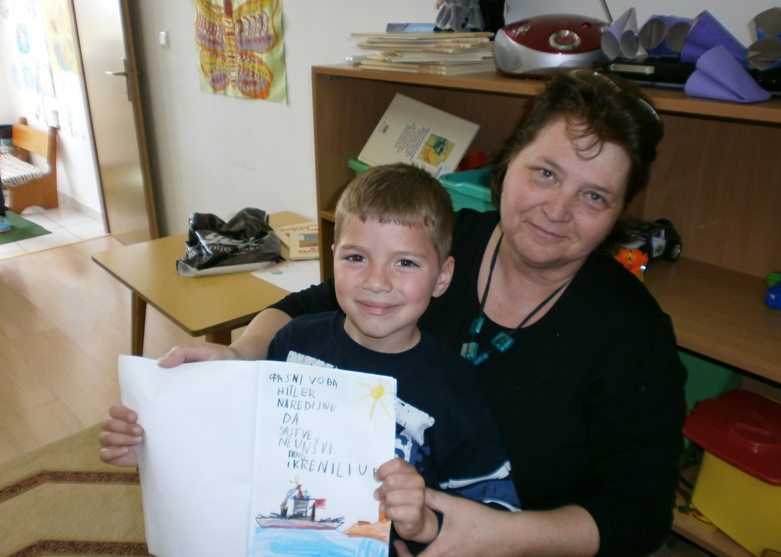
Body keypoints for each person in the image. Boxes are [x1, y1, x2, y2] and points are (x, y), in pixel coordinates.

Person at [101, 69, 687, 557]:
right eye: (546, 172)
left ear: (618, 214)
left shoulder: (630, 332)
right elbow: (309, 307)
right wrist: (240, 359)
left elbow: (639, 516)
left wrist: (499, 535)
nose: (558, 209)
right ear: (509, 163)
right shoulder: (444, 242)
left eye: (594, 196)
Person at [104, 163, 520, 554]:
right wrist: (155, 448)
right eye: (356, 258)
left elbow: (498, 510)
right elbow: (241, 448)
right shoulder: (293, 342)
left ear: (442, 277)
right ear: (333, 257)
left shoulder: (454, 387)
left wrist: (425, 523)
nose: (376, 281)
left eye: (405, 263)